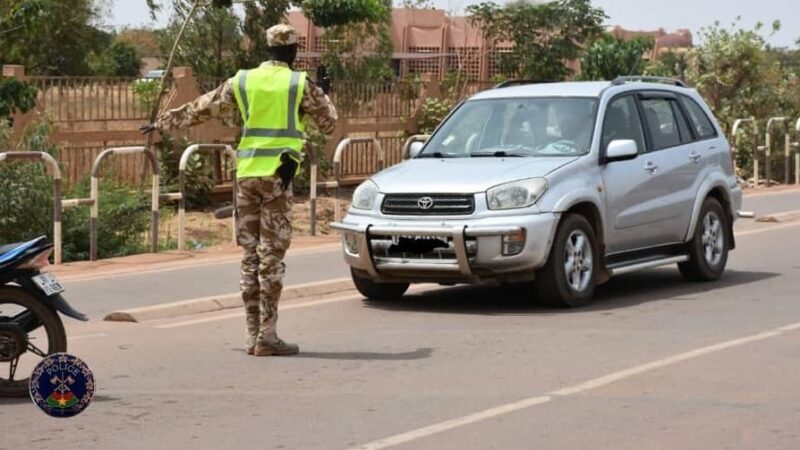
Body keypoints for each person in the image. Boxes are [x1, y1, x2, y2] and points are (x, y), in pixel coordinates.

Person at [140, 24, 338, 357]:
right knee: (271, 259)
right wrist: (325, 93)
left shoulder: (242, 80)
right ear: (293, 51)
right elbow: (330, 124)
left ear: (268, 49)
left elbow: (201, 108)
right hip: (279, 176)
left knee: (249, 258)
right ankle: (268, 336)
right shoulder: (299, 84)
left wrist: (161, 123)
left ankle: (250, 336)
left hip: (245, 175)